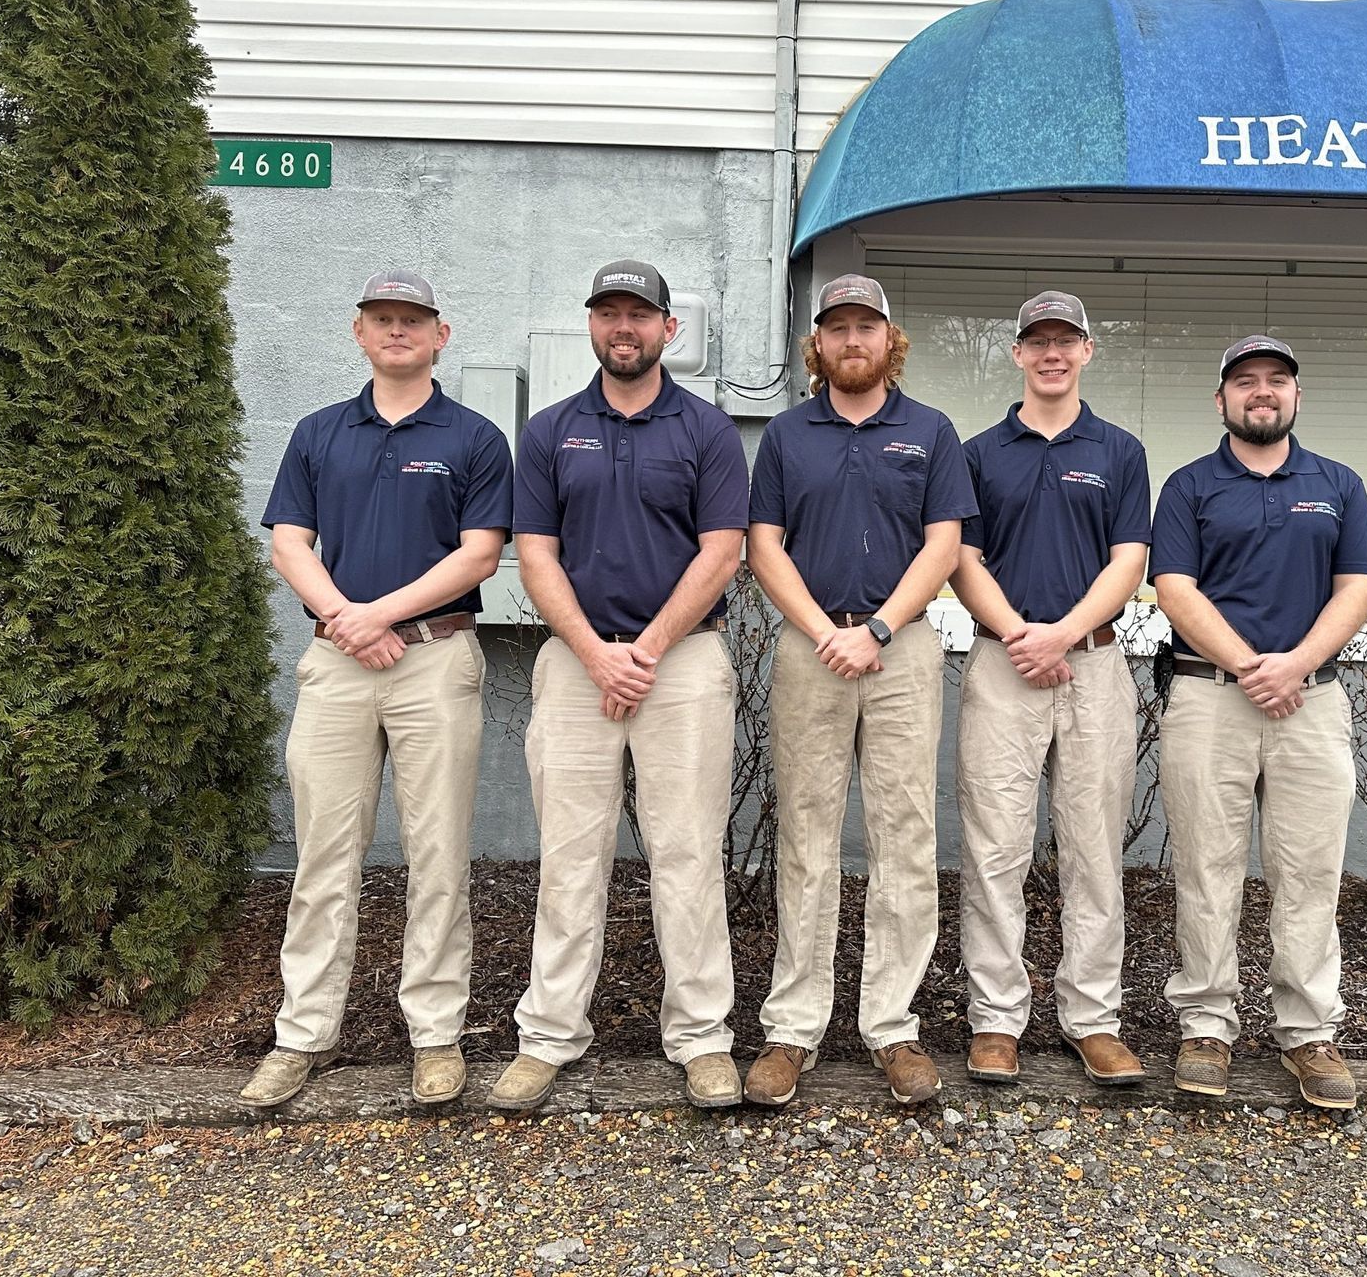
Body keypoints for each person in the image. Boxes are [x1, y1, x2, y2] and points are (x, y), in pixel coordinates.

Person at [243, 269, 514, 1110]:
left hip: (435, 660)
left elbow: (479, 554)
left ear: (441, 335)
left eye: (413, 320)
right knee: (324, 856)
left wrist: (378, 616)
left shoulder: (474, 438)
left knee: (438, 857)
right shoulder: (319, 432)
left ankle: (434, 1035)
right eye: (382, 319)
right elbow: (290, 544)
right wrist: (345, 619)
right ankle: (304, 1034)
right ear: (358, 332)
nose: (398, 331)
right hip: (337, 666)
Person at [491, 260, 749, 1112]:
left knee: (687, 854)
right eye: (608, 313)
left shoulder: (708, 431)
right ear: (592, 325)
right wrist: (596, 655)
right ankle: (549, 1036)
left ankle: (702, 1038)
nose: (623, 327)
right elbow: (535, 554)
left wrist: (644, 650)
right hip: (577, 666)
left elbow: (723, 552)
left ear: (669, 328)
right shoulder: (552, 431)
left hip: (683, 665)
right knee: (570, 859)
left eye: (639, 314)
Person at [742, 274, 976, 1107]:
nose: (851, 340)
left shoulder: (930, 431)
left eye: (865, 327)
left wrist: (875, 629)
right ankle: (793, 1028)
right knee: (805, 835)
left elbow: (943, 544)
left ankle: (892, 1026)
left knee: (904, 835)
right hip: (812, 649)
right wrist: (825, 632)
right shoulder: (786, 435)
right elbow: (763, 544)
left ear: (889, 339)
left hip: (900, 650)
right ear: (819, 344)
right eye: (836, 327)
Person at [1150, 335, 1367, 1111]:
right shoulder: (1188, 486)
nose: (1262, 392)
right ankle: (1205, 1026)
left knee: (1309, 872)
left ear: (1296, 397)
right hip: (1209, 698)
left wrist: (1294, 665)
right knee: (1205, 869)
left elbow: (1355, 589)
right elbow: (1174, 589)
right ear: (1221, 400)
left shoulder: (1338, 485)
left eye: (1276, 380)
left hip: (1311, 703)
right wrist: (1253, 666)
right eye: (1245, 381)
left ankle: (1308, 1031)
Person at [951, 291, 1152, 1087]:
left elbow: (1129, 561)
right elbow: (962, 559)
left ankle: (1092, 1018)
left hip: (1093, 666)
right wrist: (1021, 637)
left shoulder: (1120, 451)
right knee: (994, 850)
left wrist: (1062, 634)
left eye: (1066, 340)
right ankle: (996, 1019)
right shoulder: (978, 453)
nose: (1052, 354)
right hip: (1003, 666)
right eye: (1037, 341)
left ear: (1087, 351)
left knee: (1093, 850)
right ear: (1018, 354)